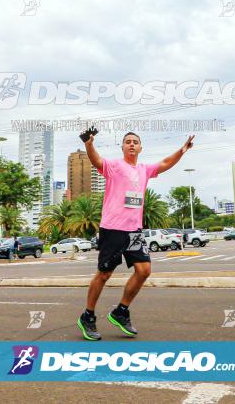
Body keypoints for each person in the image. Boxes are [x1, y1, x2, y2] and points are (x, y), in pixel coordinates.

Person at [77, 130, 194, 341]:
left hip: (134, 230)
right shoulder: (113, 166)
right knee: (104, 274)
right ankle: (88, 316)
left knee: (144, 270)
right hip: (112, 228)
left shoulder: (144, 170)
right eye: (128, 142)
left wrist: (182, 150)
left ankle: (121, 312)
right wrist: (89, 145)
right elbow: (96, 160)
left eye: (135, 142)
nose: (131, 145)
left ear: (140, 148)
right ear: (122, 147)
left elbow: (166, 163)